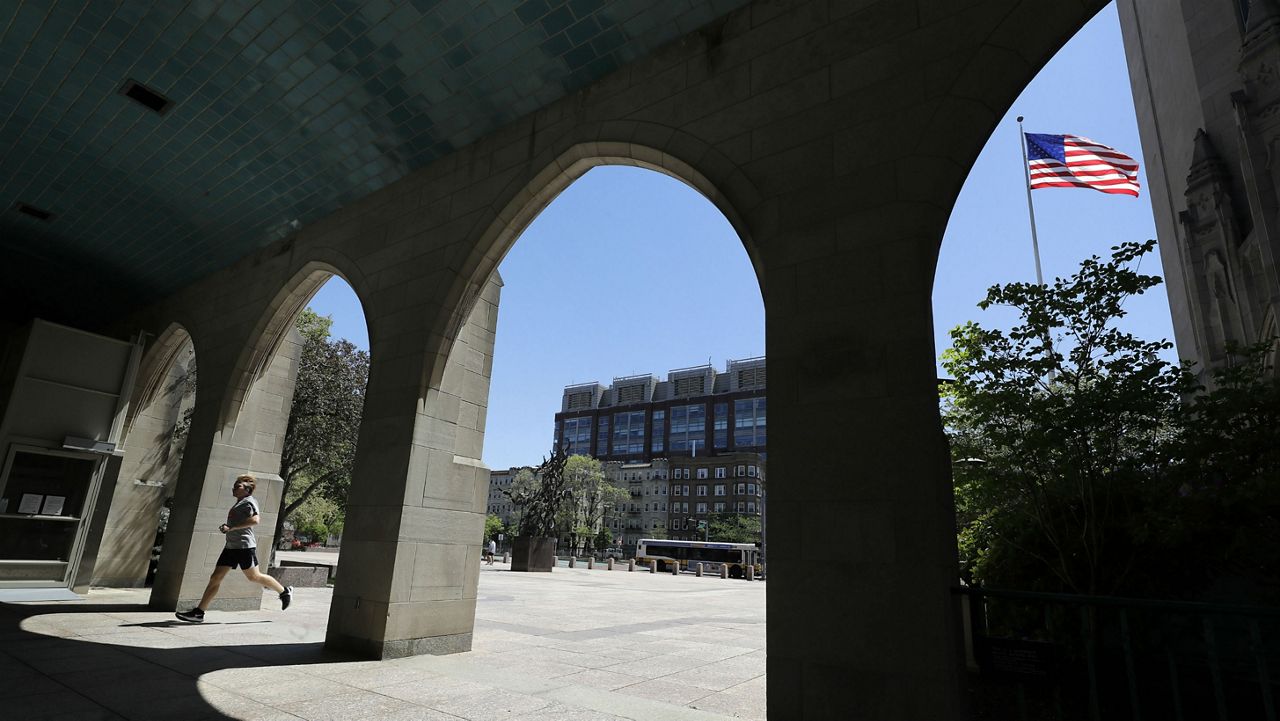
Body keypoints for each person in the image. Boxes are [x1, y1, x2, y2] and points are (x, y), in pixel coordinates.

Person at [176, 474, 292, 623]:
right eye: (234, 485)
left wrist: (231, 527)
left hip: (244, 546)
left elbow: (256, 520)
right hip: (231, 546)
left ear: (248, 490)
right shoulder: (239, 503)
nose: (234, 488)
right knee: (215, 578)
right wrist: (229, 528)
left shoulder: (249, 501)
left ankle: (284, 592)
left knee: (254, 577)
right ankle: (199, 613)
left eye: (238, 486)